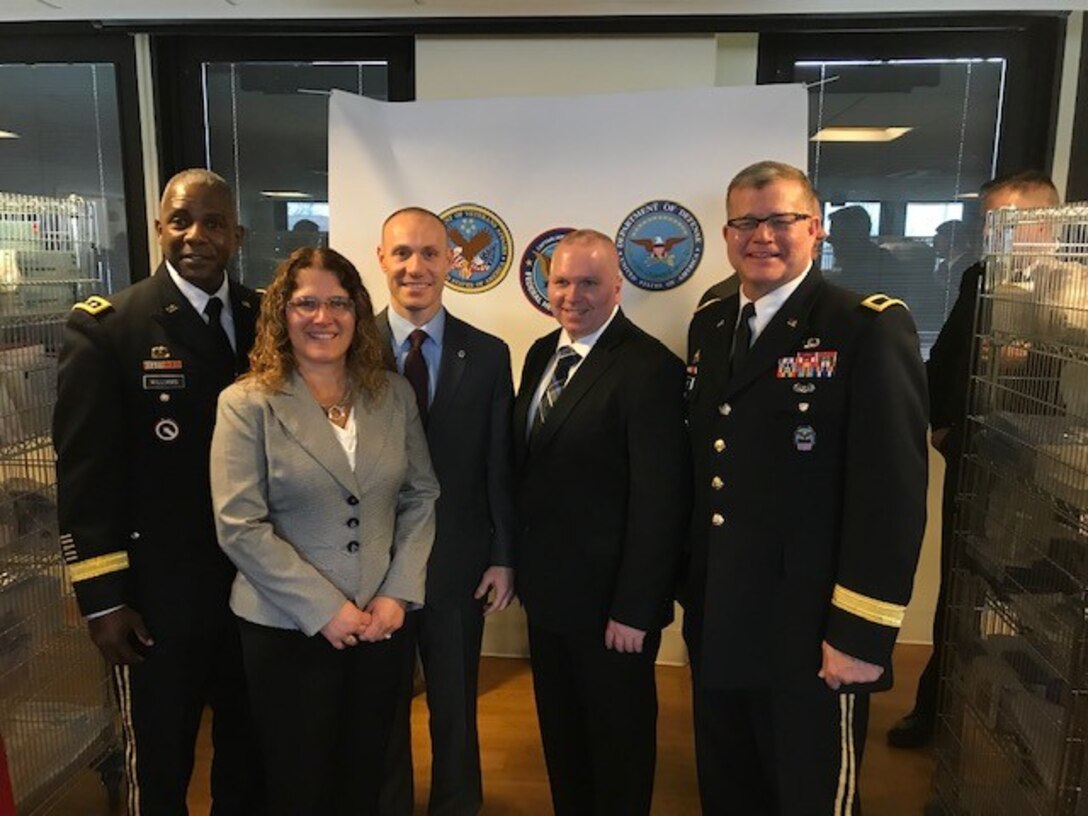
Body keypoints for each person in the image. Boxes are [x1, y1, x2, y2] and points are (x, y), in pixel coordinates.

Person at [683, 160, 928, 814]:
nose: (762, 235)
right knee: (728, 783)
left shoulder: (864, 326)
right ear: (728, 232)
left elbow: (892, 497)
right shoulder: (710, 321)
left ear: (814, 228)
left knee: (808, 792)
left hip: (811, 624)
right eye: (745, 221)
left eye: (781, 220)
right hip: (721, 609)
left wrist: (860, 633)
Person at [54, 168, 264, 815]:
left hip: (255, 589)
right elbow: (86, 475)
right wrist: (102, 599)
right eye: (181, 221)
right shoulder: (112, 329)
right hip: (157, 600)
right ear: (158, 229)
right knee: (161, 761)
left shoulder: (265, 320)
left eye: (212, 223)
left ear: (236, 235)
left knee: (248, 759)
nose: (195, 236)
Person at [209, 247, 440, 816]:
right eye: (305, 303)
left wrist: (397, 593)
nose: (323, 317)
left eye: (337, 302)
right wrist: (324, 609)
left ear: (357, 312)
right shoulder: (247, 403)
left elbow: (421, 495)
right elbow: (239, 524)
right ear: (281, 314)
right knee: (298, 784)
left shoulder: (392, 395)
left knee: (363, 778)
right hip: (288, 631)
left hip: (381, 626)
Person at [512, 229, 690, 816]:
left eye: (589, 282)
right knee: (563, 738)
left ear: (617, 286)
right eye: (561, 281)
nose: (572, 295)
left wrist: (636, 609)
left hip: (613, 607)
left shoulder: (648, 368)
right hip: (550, 597)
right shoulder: (542, 353)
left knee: (618, 744)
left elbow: (659, 500)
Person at [887, 170, 1061, 750]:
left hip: (1045, 469)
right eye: (988, 221)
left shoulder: (1073, 290)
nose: (990, 233)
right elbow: (950, 356)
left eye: (1002, 221)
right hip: (973, 455)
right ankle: (938, 713)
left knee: (1032, 592)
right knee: (957, 587)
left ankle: (1030, 721)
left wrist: (1023, 357)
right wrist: (939, 425)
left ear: (1042, 224)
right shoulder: (981, 276)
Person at [374, 207, 516, 816]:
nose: (416, 266)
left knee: (455, 708)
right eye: (402, 253)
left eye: (430, 253)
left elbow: (499, 465)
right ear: (381, 259)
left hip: (457, 564)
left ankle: (457, 806)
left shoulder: (487, 354)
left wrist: (503, 556)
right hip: (371, 569)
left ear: (451, 263)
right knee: (381, 709)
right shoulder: (347, 349)